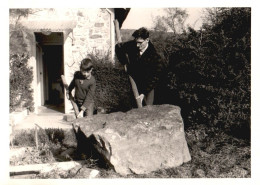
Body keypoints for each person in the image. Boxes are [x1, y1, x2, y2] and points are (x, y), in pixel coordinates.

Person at [115, 27, 165, 106]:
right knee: (133, 109)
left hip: (148, 86)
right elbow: (118, 47)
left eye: (140, 43)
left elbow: (155, 78)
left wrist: (144, 93)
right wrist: (124, 63)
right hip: (135, 83)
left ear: (147, 40)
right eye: (136, 42)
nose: (137, 45)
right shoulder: (133, 45)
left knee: (147, 110)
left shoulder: (155, 57)